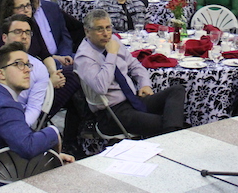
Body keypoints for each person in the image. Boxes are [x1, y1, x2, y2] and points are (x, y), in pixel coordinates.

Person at [0, 40, 72, 193]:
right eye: (19, 64)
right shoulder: (5, 106)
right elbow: (26, 147)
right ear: (1, 74)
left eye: (28, 65)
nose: (27, 70)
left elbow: (15, 144)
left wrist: (51, 156)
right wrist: (53, 133)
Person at [74, 9, 185, 137]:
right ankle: (174, 137)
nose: (106, 34)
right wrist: (111, 54)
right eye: (100, 29)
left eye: (108, 28)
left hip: (133, 100)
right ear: (87, 31)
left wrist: (144, 83)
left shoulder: (113, 40)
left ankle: (173, 135)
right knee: (164, 124)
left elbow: (134, 64)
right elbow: (101, 87)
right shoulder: (84, 57)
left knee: (177, 90)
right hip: (112, 112)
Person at [19, 0, 74, 67]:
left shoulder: (52, 7)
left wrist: (64, 55)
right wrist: (55, 59)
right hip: (37, 62)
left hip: (62, 56)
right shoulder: (21, 12)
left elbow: (65, 37)